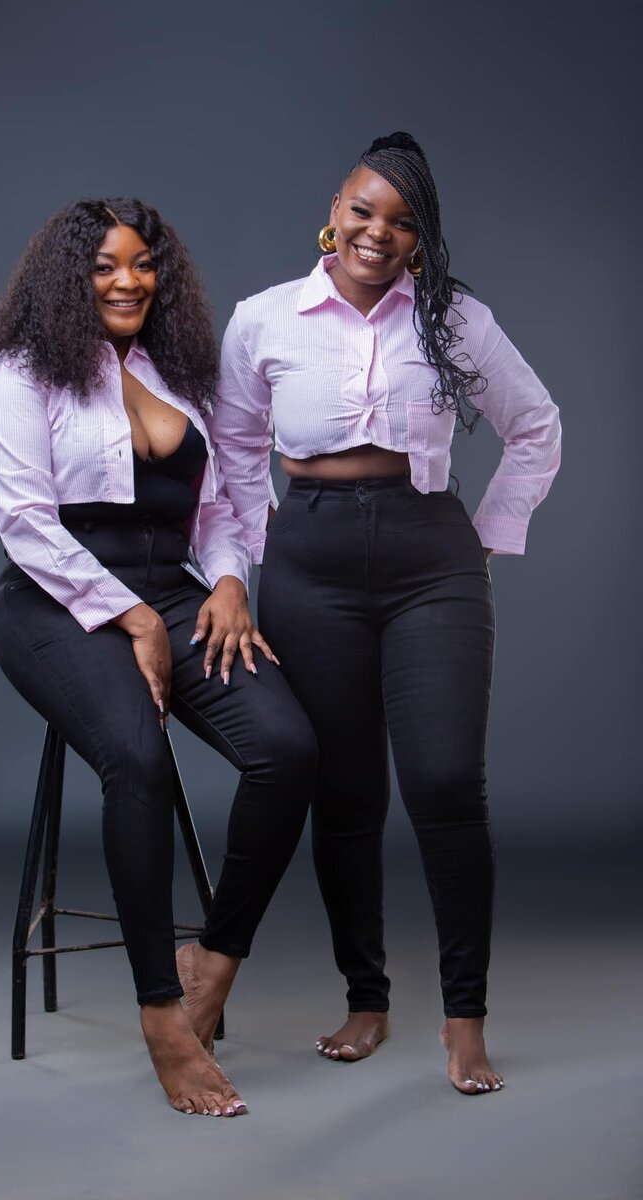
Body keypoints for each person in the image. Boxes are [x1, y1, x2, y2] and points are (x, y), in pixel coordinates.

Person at [202, 133, 561, 1095]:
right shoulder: (266, 320)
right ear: (337, 208)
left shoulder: (455, 319)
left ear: (420, 237)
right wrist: (246, 562)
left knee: (445, 781)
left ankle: (465, 1018)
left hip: (429, 561)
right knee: (347, 793)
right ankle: (367, 999)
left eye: (402, 222)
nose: (378, 232)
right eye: (364, 210)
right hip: (308, 564)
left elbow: (536, 425)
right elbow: (231, 455)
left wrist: (486, 536)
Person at [0, 198, 317, 1117]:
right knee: (138, 759)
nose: (128, 282)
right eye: (104, 266)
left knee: (288, 751)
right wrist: (133, 618)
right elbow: (25, 524)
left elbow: (222, 509)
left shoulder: (181, 373)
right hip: (55, 603)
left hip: (175, 590)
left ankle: (217, 959)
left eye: (143, 263)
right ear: (67, 278)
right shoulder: (20, 375)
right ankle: (162, 1015)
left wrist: (230, 582)